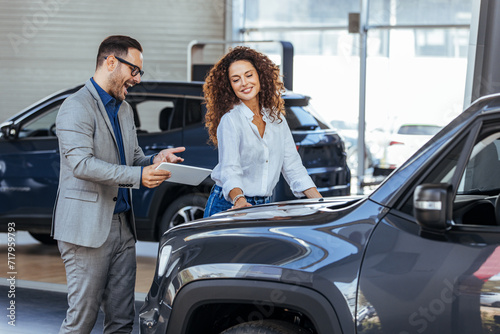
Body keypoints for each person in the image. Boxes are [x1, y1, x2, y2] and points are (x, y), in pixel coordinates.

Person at [52, 35, 185, 333]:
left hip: (123, 228)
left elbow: (133, 156)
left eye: (140, 72)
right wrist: (138, 177)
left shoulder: (123, 109)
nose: (137, 79)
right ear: (110, 62)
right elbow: (81, 165)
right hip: (86, 231)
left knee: (123, 320)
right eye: (133, 70)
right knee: (81, 321)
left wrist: (155, 160)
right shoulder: (75, 107)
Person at [203, 46, 322, 217]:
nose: (244, 83)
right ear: (229, 86)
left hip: (262, 206)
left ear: (260, 75)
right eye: (236, 79)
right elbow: (230, 170)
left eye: (249, 75)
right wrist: (240, 200)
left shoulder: (276, 119)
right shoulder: (230, 120)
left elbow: (294, 168)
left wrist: (321, 204)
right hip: (229, 205)